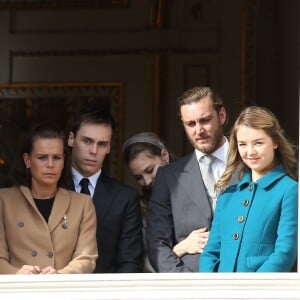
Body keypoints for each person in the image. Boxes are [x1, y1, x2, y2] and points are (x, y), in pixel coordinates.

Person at [146, 86, 238, 272]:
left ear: (222, 116)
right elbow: (157, 244)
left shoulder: (250, 166)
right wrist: (187, 284)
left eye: (205, 120)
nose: (199, 130)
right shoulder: (168, 177)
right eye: (191, 124)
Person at [199, 106, 298, 272]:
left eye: (258, 143)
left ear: (275, 142)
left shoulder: (290, 190)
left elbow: (285, 252)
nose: (250, 151)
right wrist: (212, 288)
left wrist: (252, 289)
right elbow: (210, 253)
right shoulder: (227, 196)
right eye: (242, 144)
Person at [0, 124, 97, 274]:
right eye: (42, 157)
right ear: (27, 160)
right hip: (17, 293)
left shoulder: (82, 204)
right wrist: (17, 274)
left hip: (63, 293)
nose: (50, 164)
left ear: (64, 160)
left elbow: (86, 258)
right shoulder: (4, 200)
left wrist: (59, 276)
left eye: (57, 157)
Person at [68, 108, 143, 273]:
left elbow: (129, 262)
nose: (94, 151)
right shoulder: (50, 188)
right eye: (87, 141)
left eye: (102, 144)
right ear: (72, 139)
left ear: (109, 148)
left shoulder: (125, 198)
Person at [122, 132, 175, 272]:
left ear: (165, 155)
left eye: (150, 170)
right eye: (138, 177)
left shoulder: (193, 189)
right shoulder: (140, 208)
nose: (147, 181)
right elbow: (145, 260)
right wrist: (179, 249)